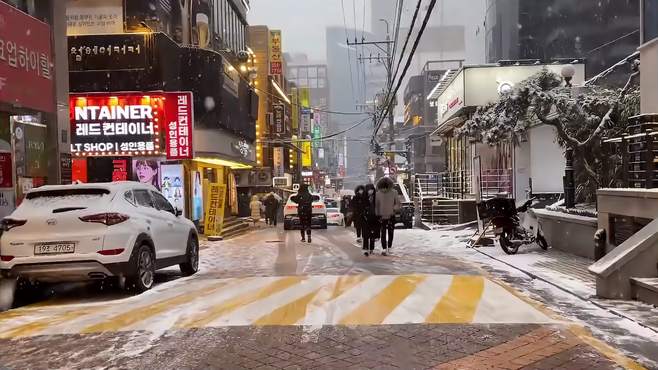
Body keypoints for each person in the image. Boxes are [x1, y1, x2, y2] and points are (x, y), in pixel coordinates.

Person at [376, 177, 400, 256]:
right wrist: (394, 209)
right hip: (390, 215)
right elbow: (398, 204)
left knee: (384, 232)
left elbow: (376, 206)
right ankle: (388, 247)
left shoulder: (378, 193)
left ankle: (385, 248)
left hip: (382, 215)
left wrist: (377, 214)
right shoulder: (394, 192)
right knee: (390, 232)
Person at [361, 183, 379, 256]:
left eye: (371, 190)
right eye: (369, 190)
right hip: (365, 218)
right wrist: (364, 212)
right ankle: (365, 248)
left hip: (373, 218)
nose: (370, 191)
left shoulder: (376, 197)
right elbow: (360, 207)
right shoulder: (363, 198)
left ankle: (371, 248)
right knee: (365, 235)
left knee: (372, 234)